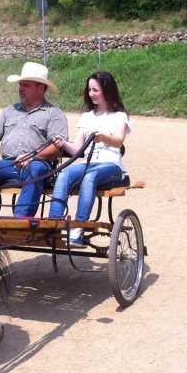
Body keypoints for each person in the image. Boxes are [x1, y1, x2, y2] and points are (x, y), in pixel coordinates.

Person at [48, 70, 131, 245]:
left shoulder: (119, 116)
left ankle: (79, 227)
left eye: (95, 90)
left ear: (107, 90)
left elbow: (118, 141)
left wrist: (104, 137)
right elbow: (77, 150)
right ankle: (52, 225)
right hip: (88, 162)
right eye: (89, 90)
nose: (91, 94)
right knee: (63, 175)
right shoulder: (87, 117)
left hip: (110, 165)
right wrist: (63, 143)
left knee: (90, 177)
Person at [0, 61, 68, 216]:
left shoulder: (54, 114)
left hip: (38, 164)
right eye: (20, 84)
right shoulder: (10, 110)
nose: (20, 88)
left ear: (40, 88)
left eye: (26, 85)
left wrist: (33, 156)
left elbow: (57, 146)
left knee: (36, 168)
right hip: (9, 164)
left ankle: (21, 219)